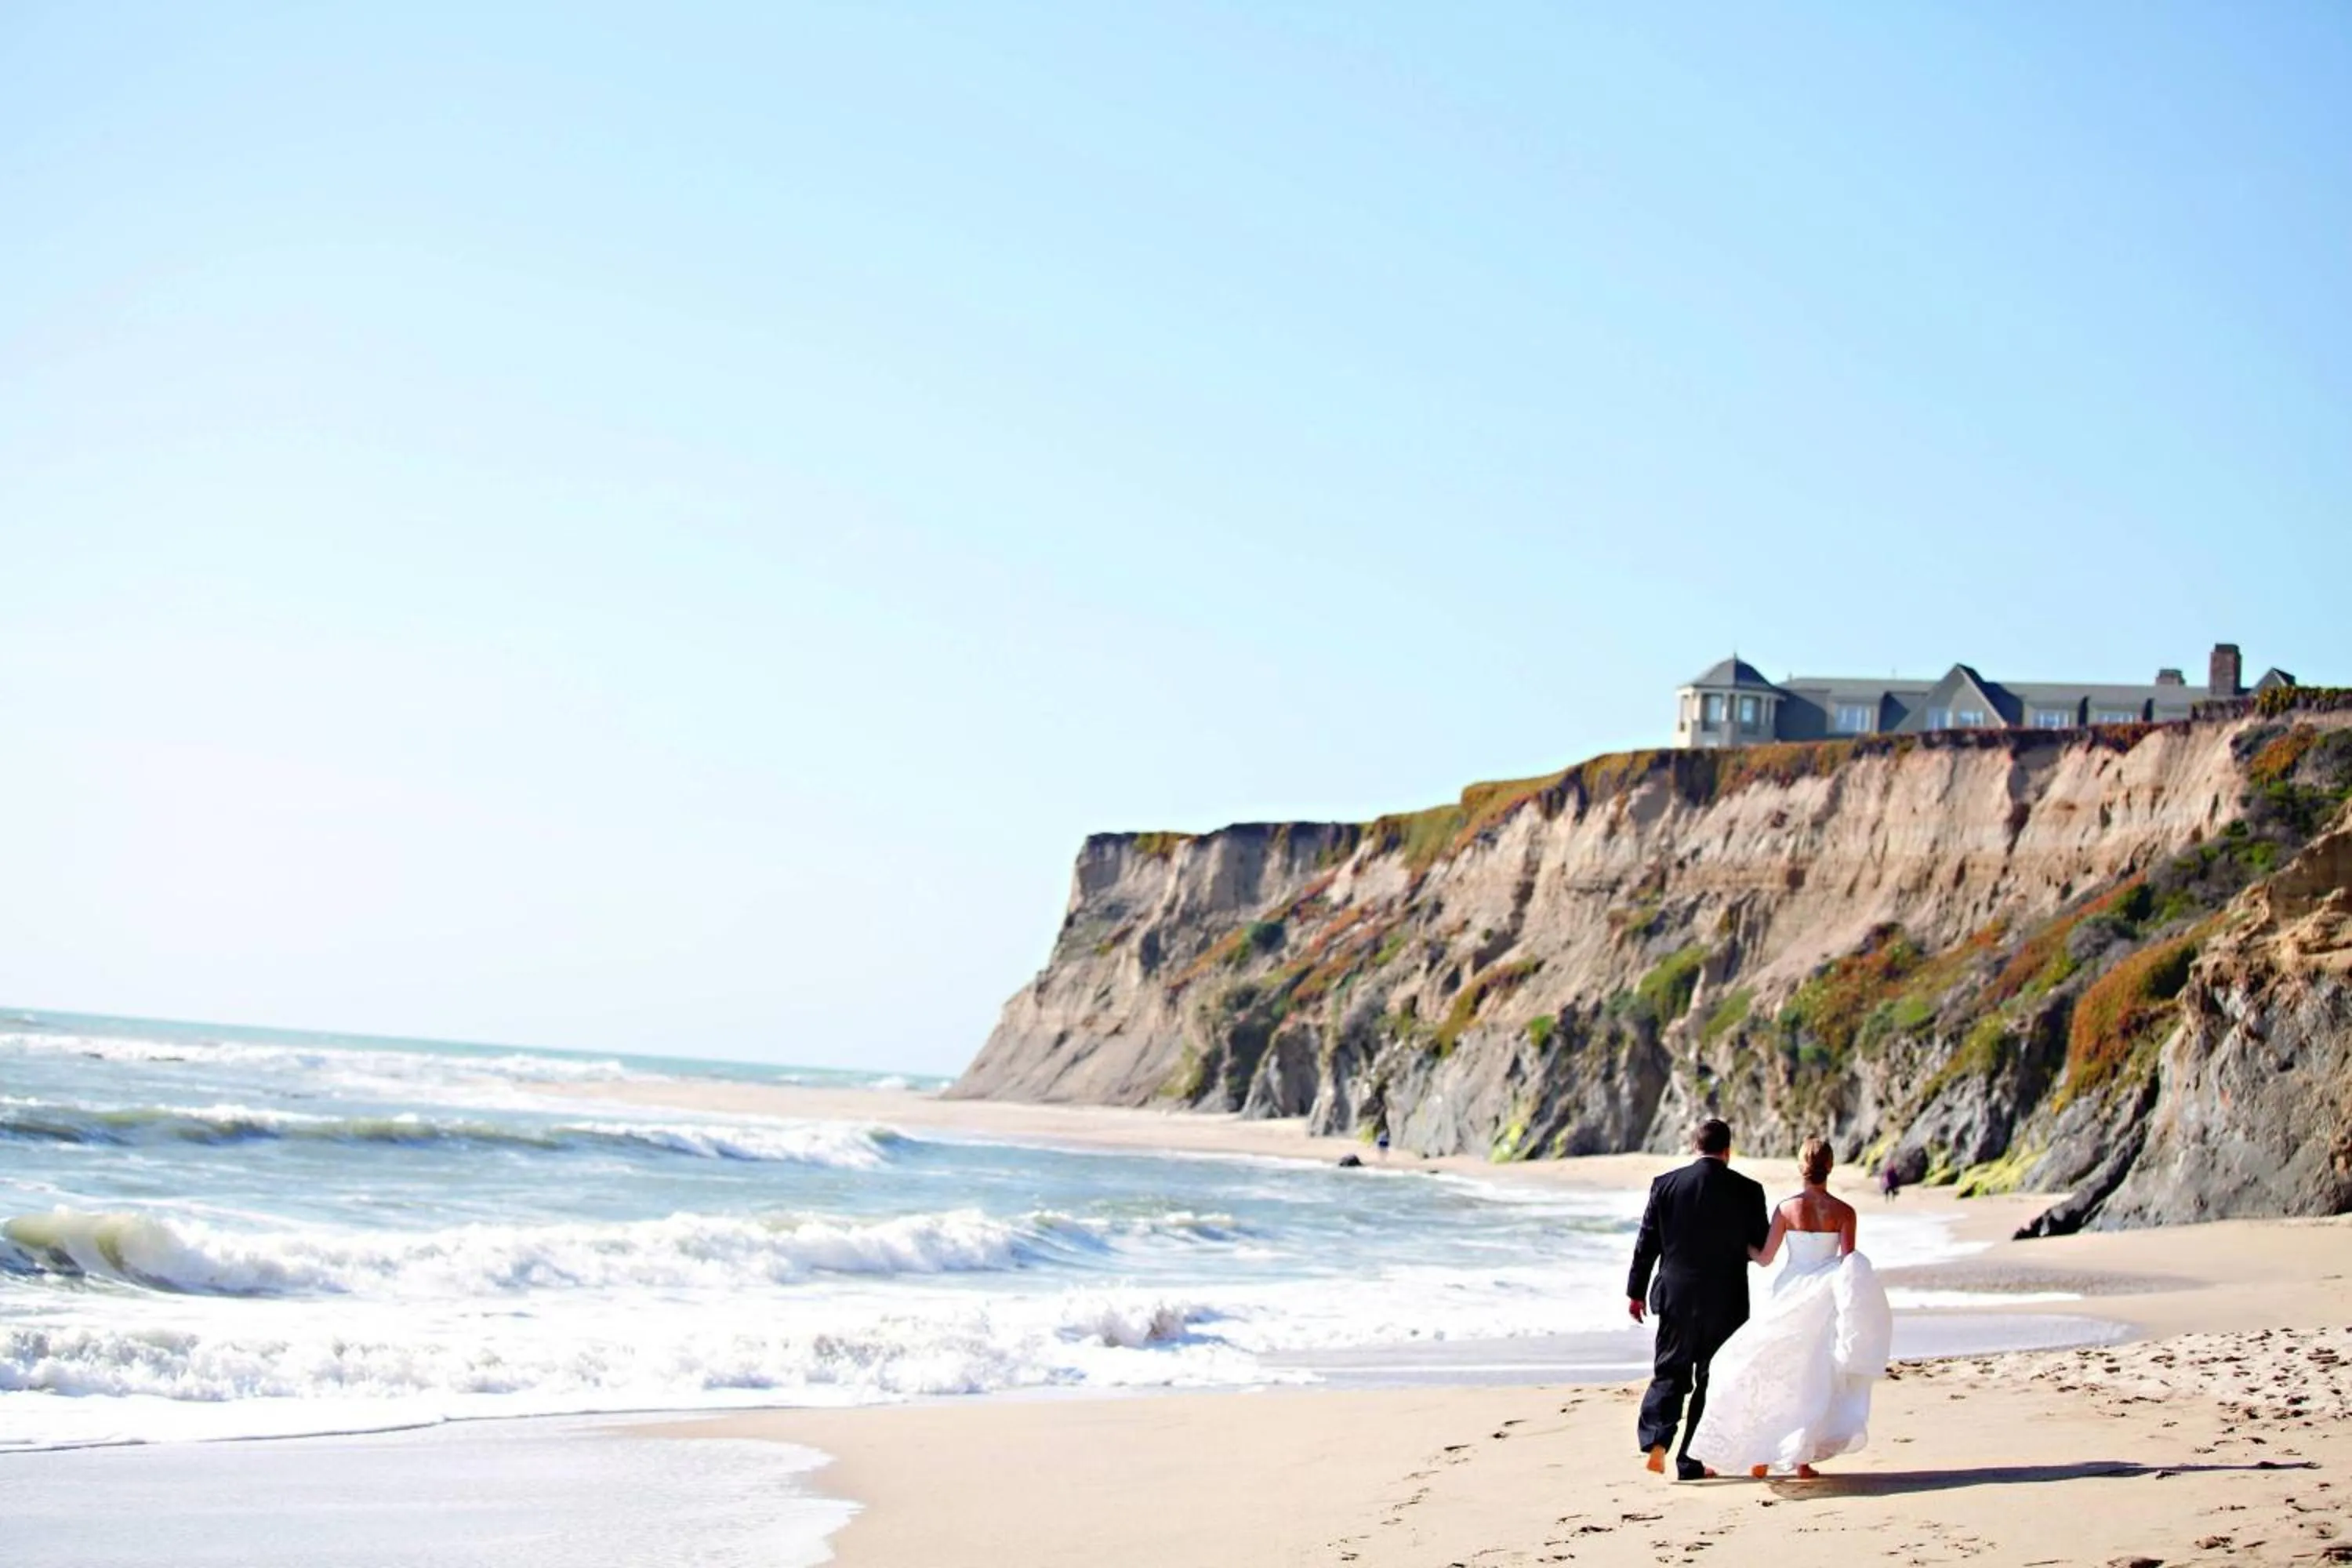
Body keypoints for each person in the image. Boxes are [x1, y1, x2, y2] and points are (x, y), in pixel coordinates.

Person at [1686, 1138, 1894, 1480]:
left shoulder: (1786, 1209)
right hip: (1824, 1295)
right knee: (1812, 1375)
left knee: (1771, 1368)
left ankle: (1761, 1455)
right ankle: (1801, 1460)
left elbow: (1766, 1258)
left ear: (1801, 1168)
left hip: (1788, 1292)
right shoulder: (1844, 1212)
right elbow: (1847, 1264)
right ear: (1830, 1167)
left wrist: (1738, 1245)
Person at [1625, 1117, 1769, 1481]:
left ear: (1695, 1147)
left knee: (1670, 1370)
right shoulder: (1748, 1190)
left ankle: (1657, 1440)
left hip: (1676, 1294)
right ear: (1728, 1151)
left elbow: (1647, 1244)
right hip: (1726, 1297)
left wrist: (1635, 1292)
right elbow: (1759, 1246)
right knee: (1712, 1377)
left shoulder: (1666, 1186)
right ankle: (1689, 1459)